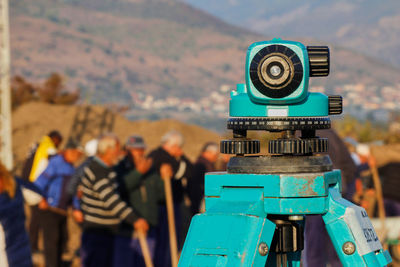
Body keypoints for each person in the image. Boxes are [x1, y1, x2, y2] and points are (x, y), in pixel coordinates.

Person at [76, 134, 148, 267]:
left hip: (107, 231)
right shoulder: (97, 171)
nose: (120, 153)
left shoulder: (107, 170)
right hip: (98, 231)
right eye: (117, 149)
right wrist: (135, 219)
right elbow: (112, 201)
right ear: (108, 151)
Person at [113, 135, 172, 267]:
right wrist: (138, 173)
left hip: (148, 228)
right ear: (127, 151)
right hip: (127, 229)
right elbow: (121, 189)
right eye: (135, 150)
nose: (139, 153)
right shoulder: (119, 169)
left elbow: (162, 195)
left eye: (141, 149)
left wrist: (164, 178)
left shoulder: (151, 170)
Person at [303, 129, 357, 267]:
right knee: (338, 242)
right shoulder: (330, 133)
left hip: (318, 193)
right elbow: (350, 167)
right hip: (337, 192)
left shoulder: (308, 135)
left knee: (316, 244)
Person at [34, 140, 83, 267]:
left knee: (63, 241)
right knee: (51, 241)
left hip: (62, 211)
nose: (78, 157)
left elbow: (73, 191)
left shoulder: (72, 169)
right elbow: (39, 183)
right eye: (77, 154)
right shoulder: (55, 163)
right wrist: (42, 199)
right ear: (70, 151)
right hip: (50, 209)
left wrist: (76, 208)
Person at [148, 130, 193, 267]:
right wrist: (182, 157)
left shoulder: (153, 154)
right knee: (167, 241)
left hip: (162, 205)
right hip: (166, 205)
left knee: (164, 240)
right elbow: (189, 171)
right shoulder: (164, 158)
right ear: (174, 146)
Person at [0, 161, 45, 267]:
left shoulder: (16, 185)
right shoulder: (16, 184)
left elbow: (38, 196)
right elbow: (37, 196)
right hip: (20, 252)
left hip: (14, 254)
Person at [26, 130, 63, 252]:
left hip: (29, 184)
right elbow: (56, 163)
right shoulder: (49, 147)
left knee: (35, 217)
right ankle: (33, 246)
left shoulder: (38, 145)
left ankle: (33, 245)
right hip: (38, 186)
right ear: (55, 139)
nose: (59, 145)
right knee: (37, 217)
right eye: (59, 142)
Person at [188, 142, 219, 215]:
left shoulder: (206, 163)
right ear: (208, 152)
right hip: (201, 198)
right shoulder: (202, 165)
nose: (216, 157)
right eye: (215, 155)